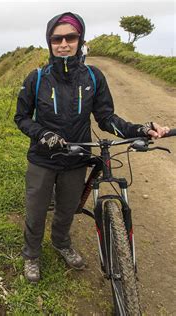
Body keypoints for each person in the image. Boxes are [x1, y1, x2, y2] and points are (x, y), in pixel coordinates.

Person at [13, 12, 169, 283]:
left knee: (67, 209)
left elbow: (106, 118)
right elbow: (22, 117)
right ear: (49, 42)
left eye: (70, 37)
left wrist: (140, 129)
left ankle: (61, 243)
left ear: (79, 39)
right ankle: (32, 254)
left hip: (77, 157)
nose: (63, 43)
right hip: (43, 158)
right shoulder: (36, 78)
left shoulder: (93, 77)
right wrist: (43, 134)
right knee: (36, 210)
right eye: (56, 38)